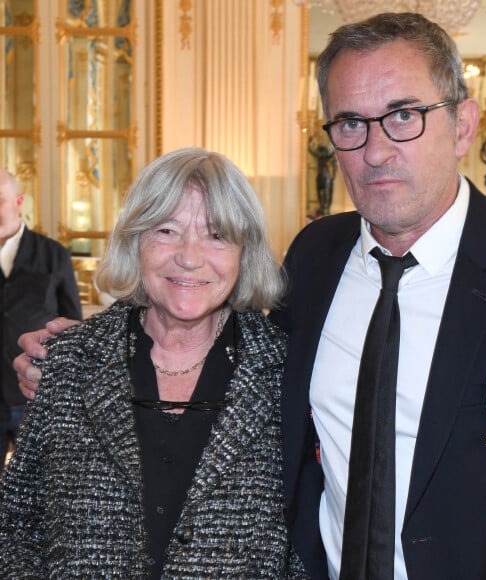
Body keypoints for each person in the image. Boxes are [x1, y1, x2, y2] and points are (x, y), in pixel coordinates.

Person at [13, 12, 486, 580]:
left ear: (463, 124)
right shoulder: (314, 259)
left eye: (404, 115)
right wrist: (72, 356)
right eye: (351, 123)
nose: (376, 151)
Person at [0, 147, 308, 578]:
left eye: (216, 235)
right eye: (166, 230)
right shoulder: (70, 360)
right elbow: (16, 525)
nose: (189, 256)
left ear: (245, 251)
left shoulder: (288, 370)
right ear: (135, 241)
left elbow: (311, 539)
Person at [0, 168, 81, 470]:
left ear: (19, 201)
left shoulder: (54, 254)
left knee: (36, 493)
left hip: (33, 398)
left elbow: (71, 323)